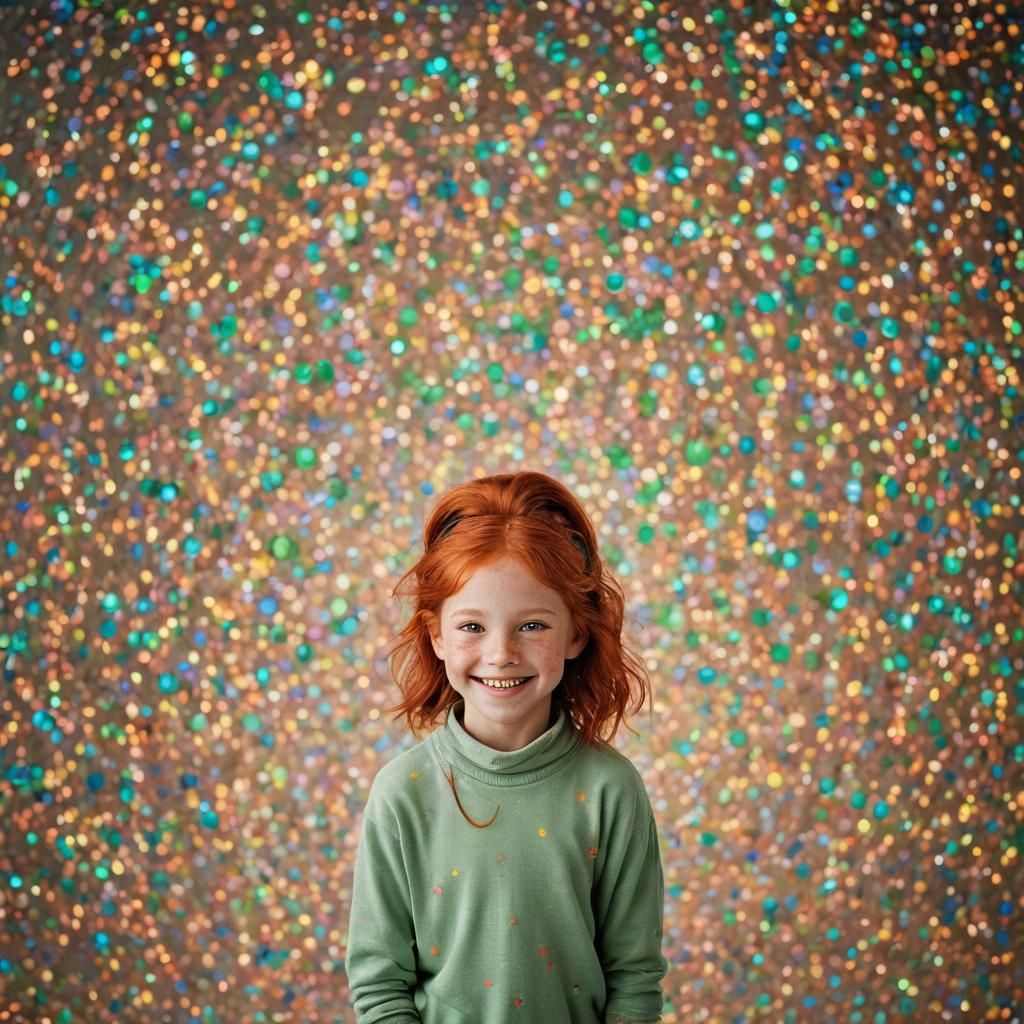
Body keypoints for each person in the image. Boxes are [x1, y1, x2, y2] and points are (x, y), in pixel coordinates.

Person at [346, 470, 667, 1023]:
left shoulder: (611, 790)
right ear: (436, 635)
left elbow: (634, 980)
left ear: (576, 634)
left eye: (532, 626)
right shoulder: (402, 793)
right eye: (472, 627)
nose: (501, 654)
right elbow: (379, 986)